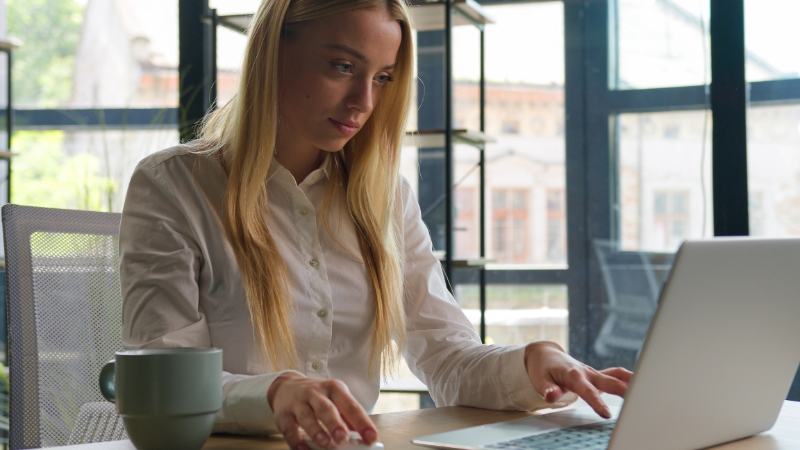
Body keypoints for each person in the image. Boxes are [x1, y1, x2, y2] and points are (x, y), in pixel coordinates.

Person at [119, 1, 631, 449]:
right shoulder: (173, 186)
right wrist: (275, 393)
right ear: (273, 53)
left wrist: (530, 363)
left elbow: (447, 359)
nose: (364, 101)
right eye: (343, 66)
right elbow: (164, 382)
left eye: (383, 77)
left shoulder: (385, 200)